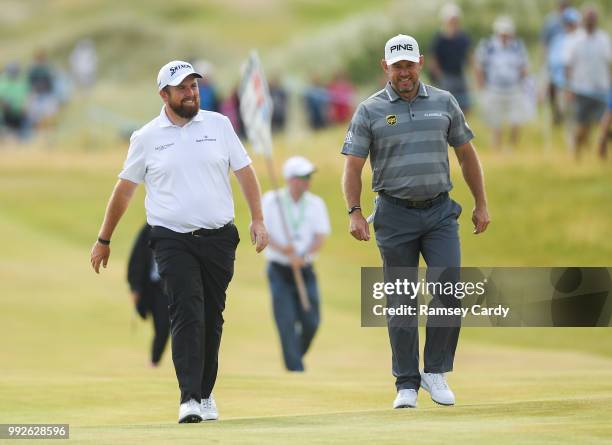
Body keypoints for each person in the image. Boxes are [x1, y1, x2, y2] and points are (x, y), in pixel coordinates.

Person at [90, 60, 269, 424]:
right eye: (182, 88)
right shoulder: (146, 137)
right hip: (171, 239)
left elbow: (245, 172)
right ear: (164, 94)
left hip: (218, 238)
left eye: (194, 86)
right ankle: (188, 398)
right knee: (186, 311)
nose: (191, 93)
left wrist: (258, 219)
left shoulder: (219, 125)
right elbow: (124, 192)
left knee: (210, 317)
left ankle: (205, 393)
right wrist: (104, 238)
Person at [341, 34, 489, 409]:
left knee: (448, 288)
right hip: (393, 214)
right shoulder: (369, 110)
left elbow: (467, 156)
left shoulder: (444, 101)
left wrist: (480, 204)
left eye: (409, 64)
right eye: (397, 65)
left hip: (440, 211)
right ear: (385, 66)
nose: (403, 72)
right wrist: (354, 211)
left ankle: (435, 370)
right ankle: (406, 382)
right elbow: (353, 167)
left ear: (420, 62)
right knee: (401, 302)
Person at [262, 156, 330, 372]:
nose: (308, 181)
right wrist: (284, 250)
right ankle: (295, 369)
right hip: (279, 269)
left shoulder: (315, 203)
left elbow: (320, 236)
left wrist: (304, 256)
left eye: (309, 176)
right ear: (290, 179)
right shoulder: (272, 200)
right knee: (286, 322)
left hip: (305, 268)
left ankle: (294, 357)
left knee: (311, 321)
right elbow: (264, 232)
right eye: (303, 177)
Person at [474, 16, 531, 148]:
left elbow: (524, 67)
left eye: (507, 34)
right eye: (502, 34)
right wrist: (481, 86)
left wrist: (525, 83)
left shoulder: (518, 46)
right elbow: (479, 67)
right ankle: (497, 147)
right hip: (494, 89)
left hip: (514, 89)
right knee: (495, 121)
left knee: (516, 120)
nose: (504, 37)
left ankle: (512, 147)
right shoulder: (488, 46)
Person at [563, 6, 611, 159]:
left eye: (593, 18)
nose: (590, 21)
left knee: (603, 126)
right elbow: (568, 66)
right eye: (588, 18)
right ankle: (577, 154)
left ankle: (601, 154)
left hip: (601, 89)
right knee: (582, 126)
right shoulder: (575, 40)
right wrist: (569, 88)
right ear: (583, 20)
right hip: (582, 90)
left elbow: (609, 64)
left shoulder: (604, 39)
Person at [127, 223, 170, 367]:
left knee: (163, 325)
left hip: (168, 286)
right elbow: (136, 259)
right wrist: (134, 288)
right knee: (149, 315)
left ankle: (154, 361)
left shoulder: (179, 226)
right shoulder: (148, 230)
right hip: (150, 285)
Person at [429, 3, 472, 113]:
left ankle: (461, 128)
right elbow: (434, 60)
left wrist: (470, 73)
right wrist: (439, 76)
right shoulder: (439, 38)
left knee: (464, 107)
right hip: (446, 76)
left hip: (460, 75)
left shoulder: (463, 37)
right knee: (446, 106)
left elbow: (469, 56)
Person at [541, 0, 571, 125]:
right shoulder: (550, 21)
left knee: (565, 91)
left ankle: (564, 115)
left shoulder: (573, 18)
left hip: (568, 62)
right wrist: (545, 61)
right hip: (554, 62)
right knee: (551, 90)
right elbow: (544, 44)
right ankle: (556, 115)